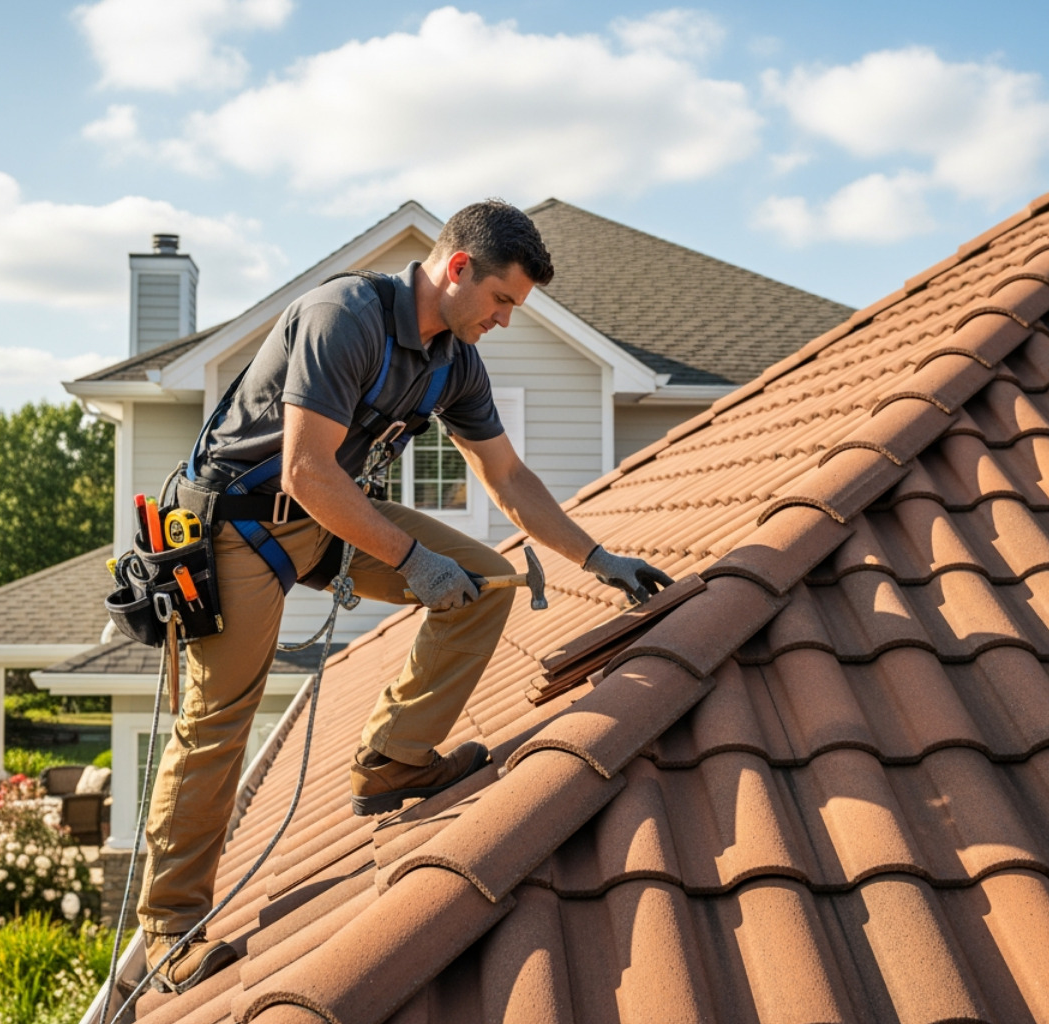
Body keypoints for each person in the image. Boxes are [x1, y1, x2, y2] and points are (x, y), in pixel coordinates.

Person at [136, 199, 673, 990]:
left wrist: (598, 559)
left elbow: (509, 478)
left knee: (490, 582)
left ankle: (391, 761)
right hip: (239, 526)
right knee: (218, 719)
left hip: (330, 516)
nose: (505, 321)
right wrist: (413, 559)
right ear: (458, 269)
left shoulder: (454, 362)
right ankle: (171, 931)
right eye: (501, 302)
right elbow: (306, 471)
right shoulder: (343, 317)